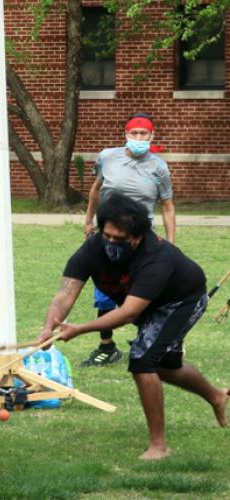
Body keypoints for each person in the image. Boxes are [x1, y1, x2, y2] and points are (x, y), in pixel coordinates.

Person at [39, 193, 228, 460]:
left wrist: (79, 328)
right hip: (147, 303)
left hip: (181, 300)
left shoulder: (157, 256)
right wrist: (49, 327)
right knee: (165, 366)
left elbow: (129, 313)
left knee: (142, 359)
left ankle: (158, 446)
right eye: (107, 236)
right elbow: (65, 294)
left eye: (119, 239)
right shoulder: (93, 247)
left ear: (137, 237)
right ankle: (217, 396)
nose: (111, 243)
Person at [81, 113, 176, 367]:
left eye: (143, 134)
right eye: (133, 133)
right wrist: (89, 220)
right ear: (125, 134)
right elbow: (96, 190)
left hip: (141, 240)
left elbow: (167, 206)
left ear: (152, 136)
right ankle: (106, 346)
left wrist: (170, 242)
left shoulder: (159, 168)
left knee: (144, 291)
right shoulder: (108, 157)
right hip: (108, 236)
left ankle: (148, 339)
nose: (138, 138)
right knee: (105, 291)